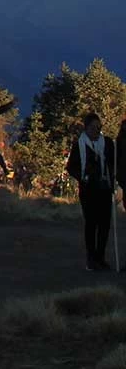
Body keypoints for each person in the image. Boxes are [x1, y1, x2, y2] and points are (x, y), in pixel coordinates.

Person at [67, 113, 120, 271]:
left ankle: (100, 257)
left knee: (104, 224)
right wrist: (82, 177)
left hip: (104, 187)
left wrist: (113, 178)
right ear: (86, 128)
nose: (97, 130)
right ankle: (91, 258)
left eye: (99, 127)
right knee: (91, 223)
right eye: (93, 127)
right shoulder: (80, 145)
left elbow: (113, 162)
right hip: (88, 189)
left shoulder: (108, 143)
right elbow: (71, 167)